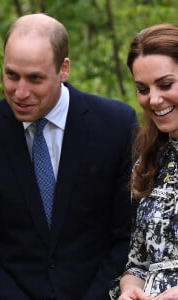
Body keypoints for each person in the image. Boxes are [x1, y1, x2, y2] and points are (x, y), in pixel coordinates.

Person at [0, 13, 138, 300]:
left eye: (35, 78)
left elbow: (127, 235)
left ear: (64, 69)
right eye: (11, 75)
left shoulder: (116, 125)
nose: (20, 92)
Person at [109, 23, 178, 300]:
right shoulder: (150, 160)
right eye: (143, 88)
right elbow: (137, 263)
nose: (154, 99)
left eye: (165, 84)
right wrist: (130, 290)